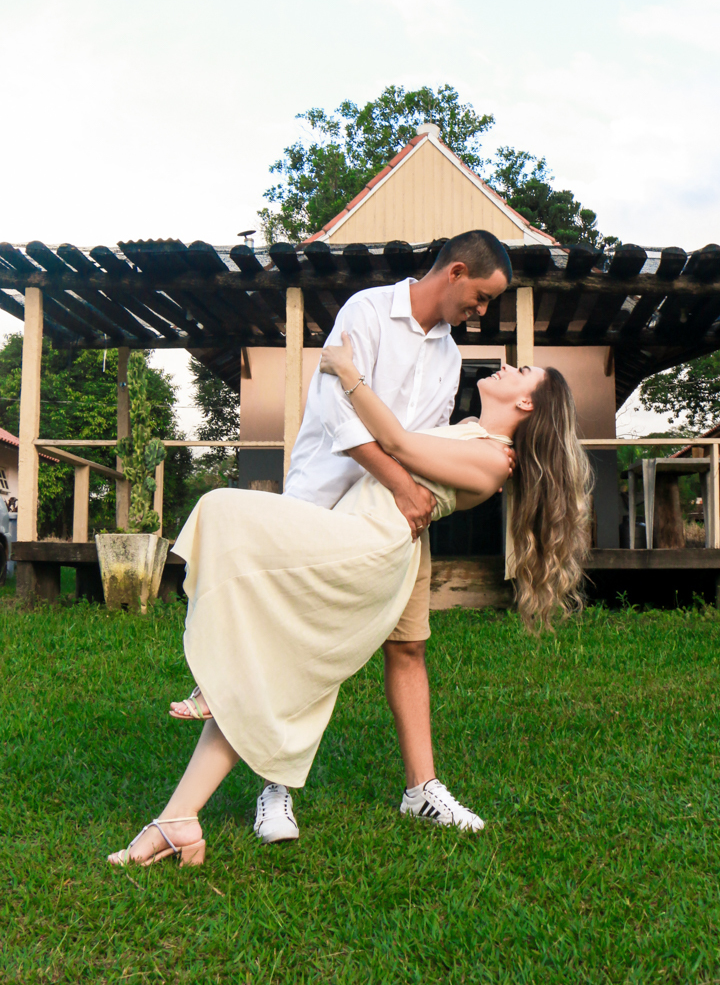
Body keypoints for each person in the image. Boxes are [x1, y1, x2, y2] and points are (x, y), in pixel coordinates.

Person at [108, 338, 592, 867]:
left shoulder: (493, 460)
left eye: (520, 370)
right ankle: (179, 819)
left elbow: (398, 444)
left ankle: (218, 683)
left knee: (221, 510)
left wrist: (346, 371)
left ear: (526, 404)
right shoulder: (471, 434)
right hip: (354, 533)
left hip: (365, 547)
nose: (503, 366)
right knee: (267, 663)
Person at [171, 230, 514, 841]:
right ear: (457, 272)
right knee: (298, 645)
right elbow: (341, 418)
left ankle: (422, 789)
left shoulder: (450, 356)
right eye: (483, 298)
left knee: (408, 645)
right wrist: (406, 488)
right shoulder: (368, 312)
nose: (482, 312)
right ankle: (273, 789)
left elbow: (424, 446)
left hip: (401, 524)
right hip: (327, 503)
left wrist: (414, 499)